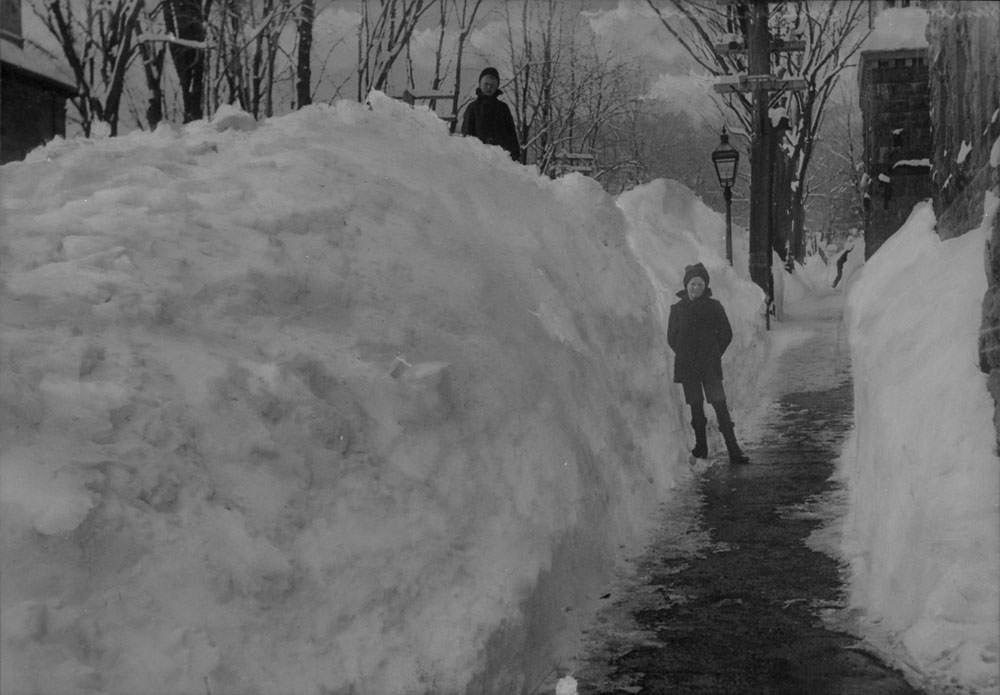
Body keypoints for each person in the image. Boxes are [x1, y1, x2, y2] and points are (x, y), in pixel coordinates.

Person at [667, 263, 750, 464]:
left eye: (700, 285)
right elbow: (671, 337)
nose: (695, 288)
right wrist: (685, 353)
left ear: (705, 287)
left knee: (719, 405)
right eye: (693, 284)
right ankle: (701, 446)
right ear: (686, 285)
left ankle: (733, 449)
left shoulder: (714, 307)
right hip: (688, 367)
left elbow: (726, 333)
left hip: (709, 367)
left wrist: (714, 353)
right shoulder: (677, 309)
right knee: (695, 407)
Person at [461, 67, 521, 162]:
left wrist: (515, 157)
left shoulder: (503, 108)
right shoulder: (473, 108)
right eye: (486, 84)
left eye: (493, 85)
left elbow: (511, 136)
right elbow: (467, 136)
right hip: (478, 160)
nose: (489, 87)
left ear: (497, 86)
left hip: (500, 161)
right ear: (480, 85)